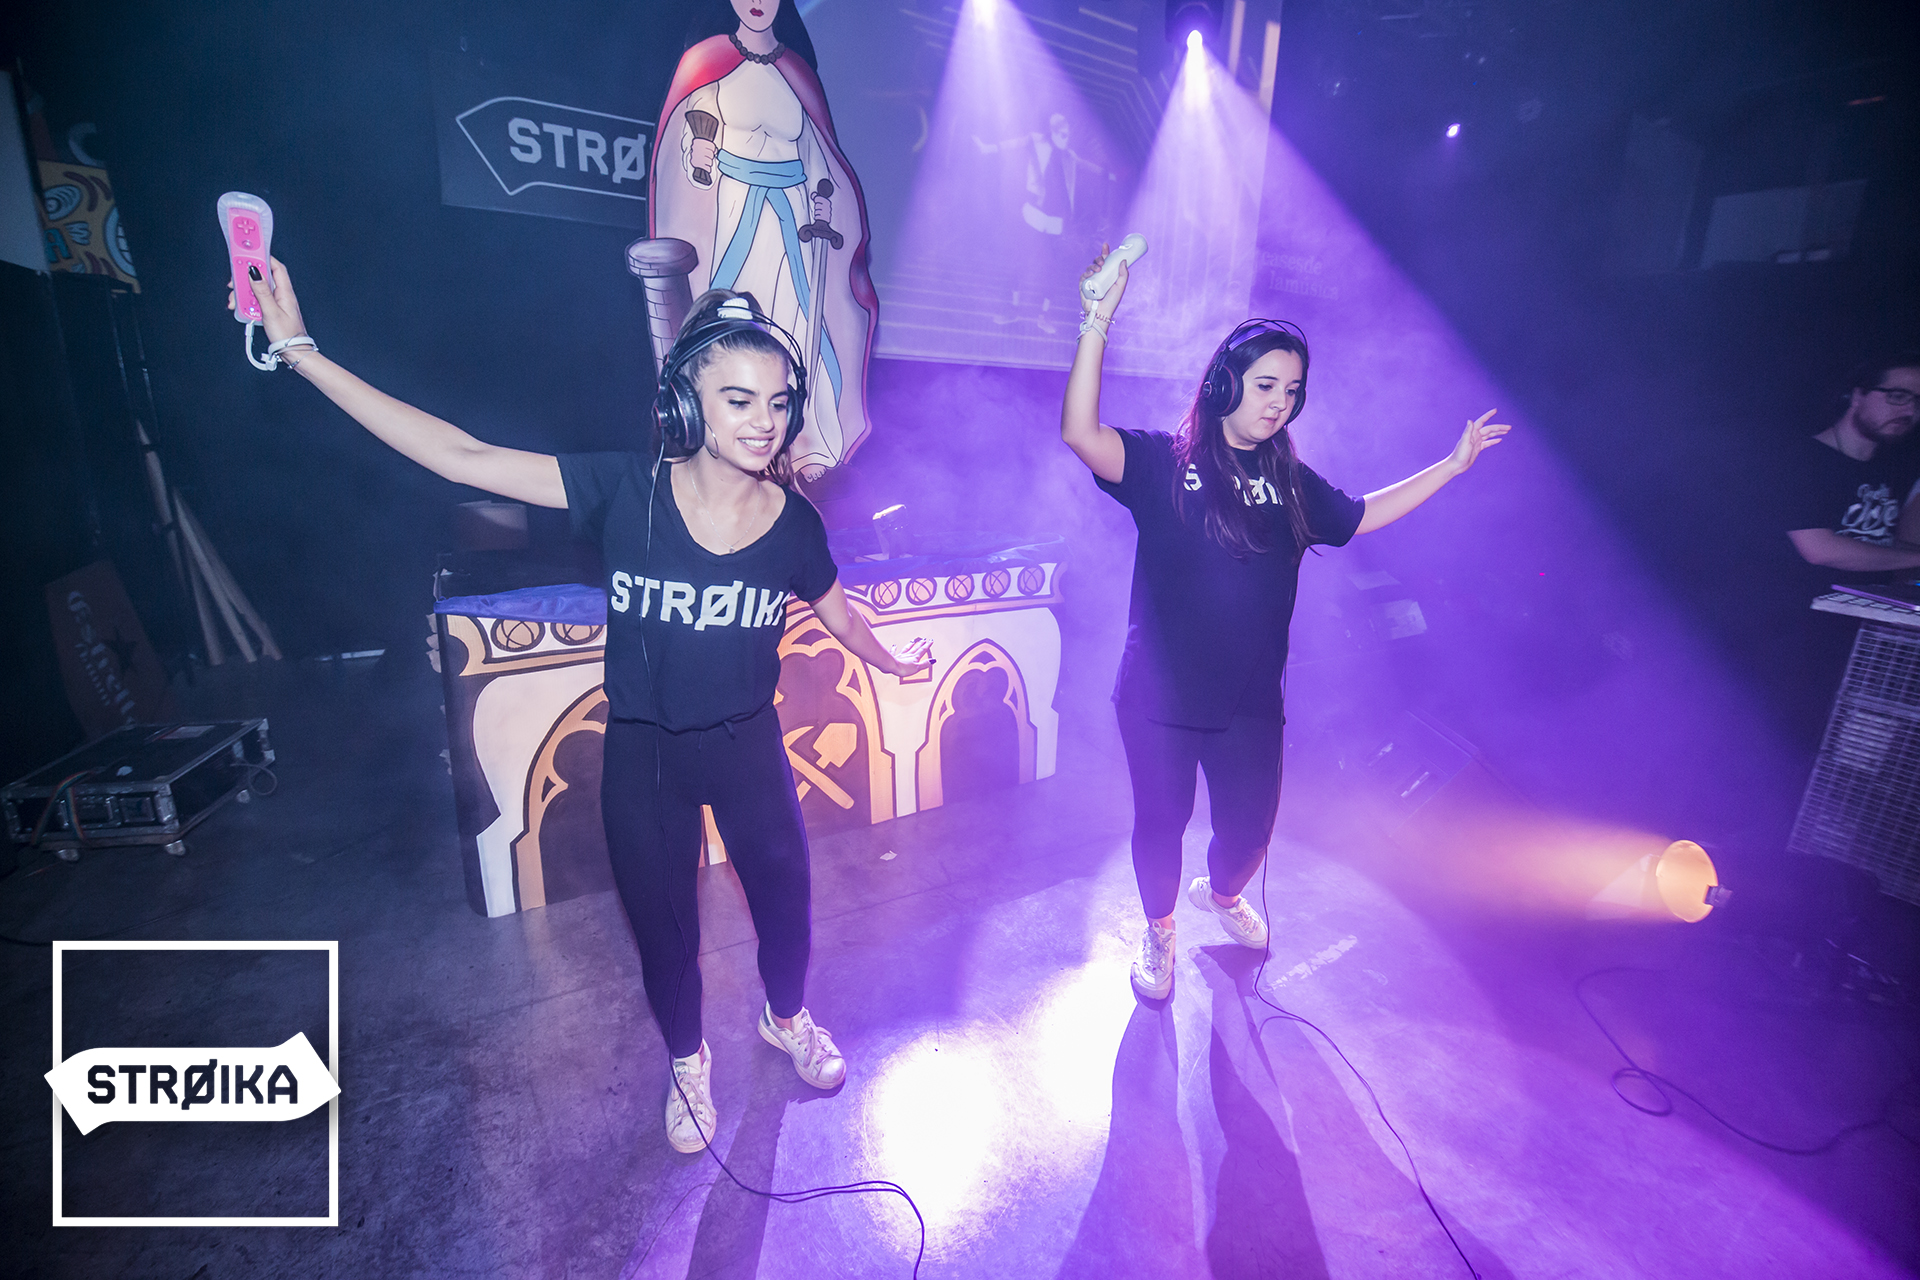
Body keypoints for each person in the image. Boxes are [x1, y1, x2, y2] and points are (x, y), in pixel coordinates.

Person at [232, 259, 931, 1153]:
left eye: (778, 402)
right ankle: (687, 1061)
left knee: (787, 905)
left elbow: (839, 612)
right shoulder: (622, 492)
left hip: (749, 750)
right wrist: (300, 352)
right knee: (665, 932)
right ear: (685, 404)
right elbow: (462, 455)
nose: (765, 421)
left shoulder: (795, 524)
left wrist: (891, 658)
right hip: (646, 756)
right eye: (738, 400)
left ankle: (785, 1019)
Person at [1060, 248, 1508, 1000]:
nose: (1279, 403)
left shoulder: (1292, 482)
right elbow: (1081, 433)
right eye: (1266, 385)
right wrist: (1096, 321)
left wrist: (1450, 466)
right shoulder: (1164, 463)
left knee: (1248, 834)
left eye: (1292, 391)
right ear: (1224, 385)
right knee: (1161, 825)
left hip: (1249, 703)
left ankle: (1221, 895)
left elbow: (1360, 516)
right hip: (1159, 698)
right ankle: (1160, 930)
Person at [651, 0, 880, 481]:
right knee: (732, 325)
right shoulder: (705, 62)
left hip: (793, 217)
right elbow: (690, 140)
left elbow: (819, 156)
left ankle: (805, 444)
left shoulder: (797, 74)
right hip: (734, 210)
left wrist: (823, 202)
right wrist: (698, 155)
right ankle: (719, 440)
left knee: (798, 324)